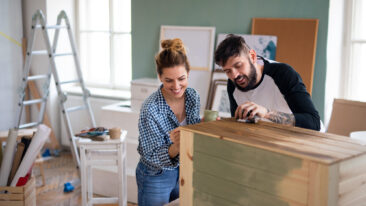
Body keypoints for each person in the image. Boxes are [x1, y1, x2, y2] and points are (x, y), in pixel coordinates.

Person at [136, 38, 201, 206]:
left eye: (181, 78)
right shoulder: (150, 108)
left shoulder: (193, 97)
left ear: (188, 72)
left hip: (184, 169)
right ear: (159, 76)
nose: (177, 86)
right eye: (169, 80)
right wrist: (176, 147)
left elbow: (194, 128)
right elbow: (151, 155)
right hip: (155, 174)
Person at [214, 34, 320, 131]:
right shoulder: (233, 83)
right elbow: (239, 123)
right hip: (269, 139)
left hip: (306, 139)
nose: (234, 75)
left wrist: (266, 113)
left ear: (252, 56)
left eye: (238, 66)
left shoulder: (283, 74)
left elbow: (314, 123)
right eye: (228, 71)